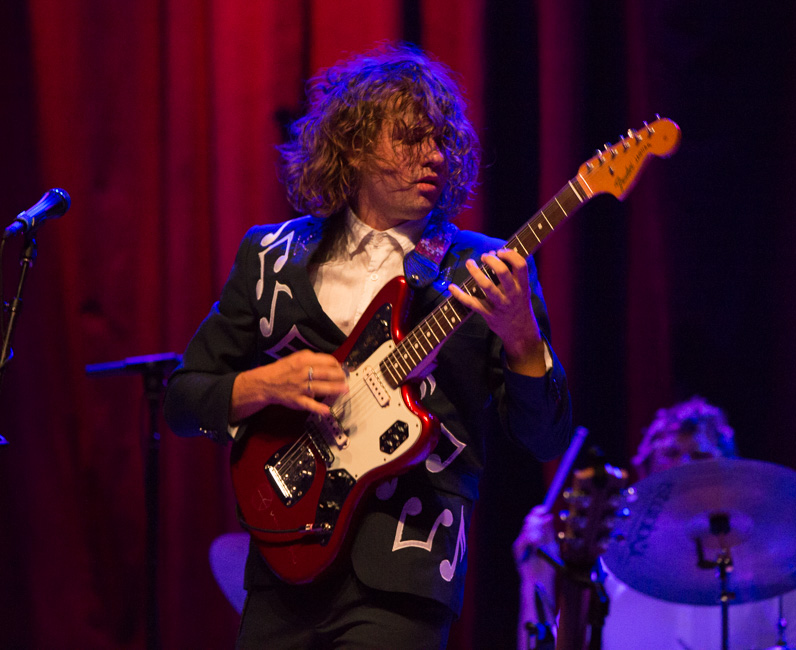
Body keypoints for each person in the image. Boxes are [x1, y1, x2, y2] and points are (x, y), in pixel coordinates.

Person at [164, 42, 572, 649]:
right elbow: (183, 399)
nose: (433, 155)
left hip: (407, 569)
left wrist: (521, 337)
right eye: (410, 139)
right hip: (282, 564)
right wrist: (260, 386)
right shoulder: (270, 256)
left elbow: (546, 438)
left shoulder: (484, 267)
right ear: (352, 147)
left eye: (441, 141)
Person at [514, 397, 796, 650]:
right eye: (670, 454)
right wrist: (536, 579)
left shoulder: (778, 569)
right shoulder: (610, 568)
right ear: (645, 471)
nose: (685, 469)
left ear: (729, 474)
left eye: (699, 456)